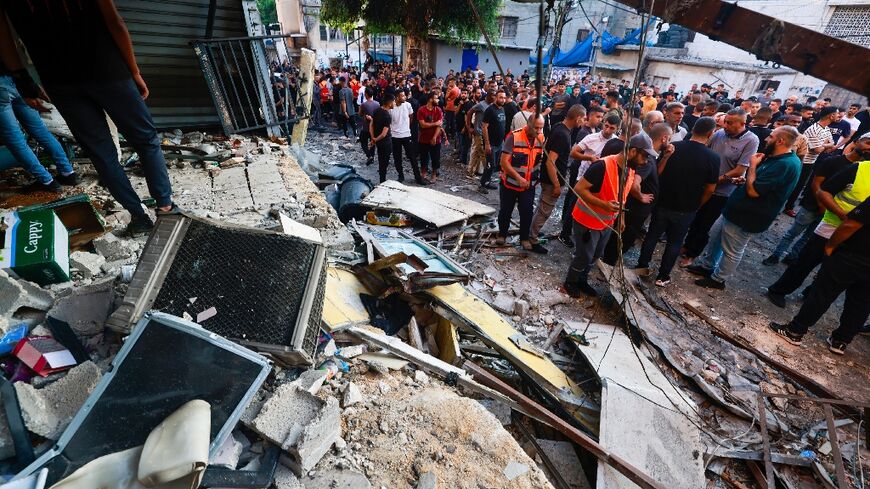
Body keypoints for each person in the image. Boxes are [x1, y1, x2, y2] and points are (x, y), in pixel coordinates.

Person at [0, 0, 177, 235]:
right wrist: (133, 70)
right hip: (109, 71)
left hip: (60, 82)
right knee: (145, 141)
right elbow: (115, 23)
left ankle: (139, 216)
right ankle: (165, 206)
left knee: (102, 154)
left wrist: (24, 80)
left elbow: (5, 40)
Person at [687, 126, 802, 289]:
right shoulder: (775, 158)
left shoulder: (786, 164)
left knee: (732, 249)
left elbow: (754, 192)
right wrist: (744, 180)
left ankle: (718, 279)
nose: (766, 139)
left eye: (771, 136)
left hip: (748, 216)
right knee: (716, 236)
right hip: (735, 209)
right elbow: (758, 183)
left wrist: (752, 166)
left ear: (781, 141)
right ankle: (707, 267)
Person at [766, 144, 870, 308]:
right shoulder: (858, 169)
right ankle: (778, 290)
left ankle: (809, 293)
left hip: (856, 239)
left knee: (832, 271)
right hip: (830, 228)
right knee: (805, 262)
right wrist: (843, 216)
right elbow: (823, 191)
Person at [769, 195, 870, 355]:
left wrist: (830, 245)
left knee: (822, 293)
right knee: (860, 304)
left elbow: (850, 225)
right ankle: (841, 341)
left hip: (852, 255)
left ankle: (795, 331)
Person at [562, 134, 656, 297]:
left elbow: (623, 197)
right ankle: (570, 281)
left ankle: (581, 280)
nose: (646, 161)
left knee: (596, 255)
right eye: (645, 155)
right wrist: (604, 205)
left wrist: (621, 218)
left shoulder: (630, 170)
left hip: (606, 223)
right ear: (633, 151)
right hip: (588, 221)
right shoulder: (601, 166)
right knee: (584, 255)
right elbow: (579, 189)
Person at [635, 117, 720, 286]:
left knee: (652, 235)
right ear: (711, 133)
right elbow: (710, 188)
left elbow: (657, 172)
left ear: (693, 129)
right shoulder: (713, 157)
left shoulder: (673, 147)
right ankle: (663, 276)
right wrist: (698, 205)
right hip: (687, 207)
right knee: (675, 242)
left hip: (663, 201)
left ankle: (641, 266)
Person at [763, 134, 870, 267]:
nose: (868, 148)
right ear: (857, 141)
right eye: (868, 143)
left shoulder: (863, 170)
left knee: (808, 237)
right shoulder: (833, 161)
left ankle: (792, 257)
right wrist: (822, 205)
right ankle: (776, 255)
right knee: (793, 232)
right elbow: (816, 184)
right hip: (813, 205)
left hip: (830, 214)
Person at [680, 108, 759, 265]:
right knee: (695, 217)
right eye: (725, 121)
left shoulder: (751, 140)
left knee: (706, 224)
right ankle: (687, 245)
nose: (725, 125)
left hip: (723, 192)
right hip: (704, 186)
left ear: (743, 123)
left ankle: (692, 254)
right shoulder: (719, 134)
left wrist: (715, 180)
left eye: (730, 123)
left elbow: (740, 169)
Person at [0, 61, 79, 192]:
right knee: (40, 130)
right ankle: (68, 173)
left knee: (15, 140)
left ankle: (47, 182)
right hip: (16, 80)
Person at [529, 104, 585, 248]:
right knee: (544, 211)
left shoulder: (559, 126)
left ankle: (531, 232)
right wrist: (556, 185)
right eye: (583, 119)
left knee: (541, 208)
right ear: (578, 118)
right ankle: (532, 239)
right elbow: (550, 162)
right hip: (551, 180)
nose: (584, 122)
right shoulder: (563, 134)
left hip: (548, 178)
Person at [494, 115, 548, 254]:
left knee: (526, 212)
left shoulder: (541, 138)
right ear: (528, 125)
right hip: (510, 184)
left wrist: (536, 178)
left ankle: (524, 238)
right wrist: (518, 178)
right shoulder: (514, 137)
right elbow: (504, 162)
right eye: (536, 127)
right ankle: (502, 234)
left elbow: (540, 159)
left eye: (541, 128)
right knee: (506, 211)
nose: (538, 131)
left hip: (528, 185)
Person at [783, 106, 837, 216]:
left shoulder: (826, 129)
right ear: (831, 115)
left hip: (811, 162)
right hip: (802, 161)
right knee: (793, 184)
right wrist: (825, 145)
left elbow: (832, 145)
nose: (839, 116)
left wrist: (824, 145)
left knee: (799, 186)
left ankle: (789, 206)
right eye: (836, 114)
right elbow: (817, 150)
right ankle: (786, 206)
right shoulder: (814, 129)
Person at [388, 90, 426, 185]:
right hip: (395, 136)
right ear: (397, 97)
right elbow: (389, 122)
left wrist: (406, 127)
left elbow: (411, 117)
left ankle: (418, 177)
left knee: (412, 157)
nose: (404, 97)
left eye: (404, 95)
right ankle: (401, 176)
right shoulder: (391, 108)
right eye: (402, 96)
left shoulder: (408, 105)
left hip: (406, 135)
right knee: (397, 157)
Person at [479, 89, 507, 194]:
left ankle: (487, 181)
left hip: (499, 143)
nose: (503, 99)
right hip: (491, 144)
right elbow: (484, 127)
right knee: (489, 165)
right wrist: (487, 144)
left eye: (504, 97)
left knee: (494, 165)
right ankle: (482, 184)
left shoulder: (502, 109)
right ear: (495, 97)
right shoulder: (490, 110)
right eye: (500, 97)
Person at [417, 92, 444, 182]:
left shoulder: (439, 110)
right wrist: (435, 123)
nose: (438, 100)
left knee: (435, 157)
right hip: (423, 138)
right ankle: (423, 173)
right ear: (430, 99)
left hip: (436, 139)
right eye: (436, 98)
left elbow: (439, 126)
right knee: (423, 157)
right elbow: (423, 125)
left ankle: (433, 174)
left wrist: (434, 137)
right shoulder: (421, 110)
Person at [466, 90, 493, 178]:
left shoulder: (492, 105)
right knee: (483, 154)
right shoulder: (481, 104)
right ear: (489, 96)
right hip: (479, 132)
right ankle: (487, 176)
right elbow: (469, 112)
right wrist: (469, 127)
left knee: (476, 152)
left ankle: (470, 172)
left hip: (486, 133)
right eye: (493, 96)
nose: (495, 98)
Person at [368, 94, 394, 183]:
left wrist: (373, 138)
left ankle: (381, 178)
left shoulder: (376, 111)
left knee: (380, 159)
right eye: (393, 102)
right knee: (384, 162)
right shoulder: (387, 116)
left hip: (378, 142)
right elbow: (384, 134)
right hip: (385, 142)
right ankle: (382, 180)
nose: (394, 103)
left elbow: (371, 125)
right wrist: (375, 139)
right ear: (390, 103)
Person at [358, 88, 380, 166]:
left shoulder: (364, 104)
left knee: (363, 141)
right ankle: (372, 157)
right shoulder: (377, 104)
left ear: (366, 94)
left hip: (366, 127)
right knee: (372, 142)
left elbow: (360, 114)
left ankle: (369, 155)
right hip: (375, 127)